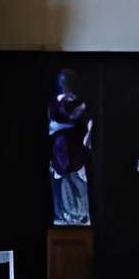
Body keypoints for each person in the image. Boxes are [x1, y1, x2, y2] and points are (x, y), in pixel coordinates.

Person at [47, 68, 94, 226]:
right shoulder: (55, 105)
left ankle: (80, 217)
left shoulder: (80, 105)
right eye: (62, 82)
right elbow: (52, 126)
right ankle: (63, 217)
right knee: (61, 185)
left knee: (78, 185)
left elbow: (88, 126)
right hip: (59, 154)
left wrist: (87, 136)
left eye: (66, 82)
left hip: (75, 155)